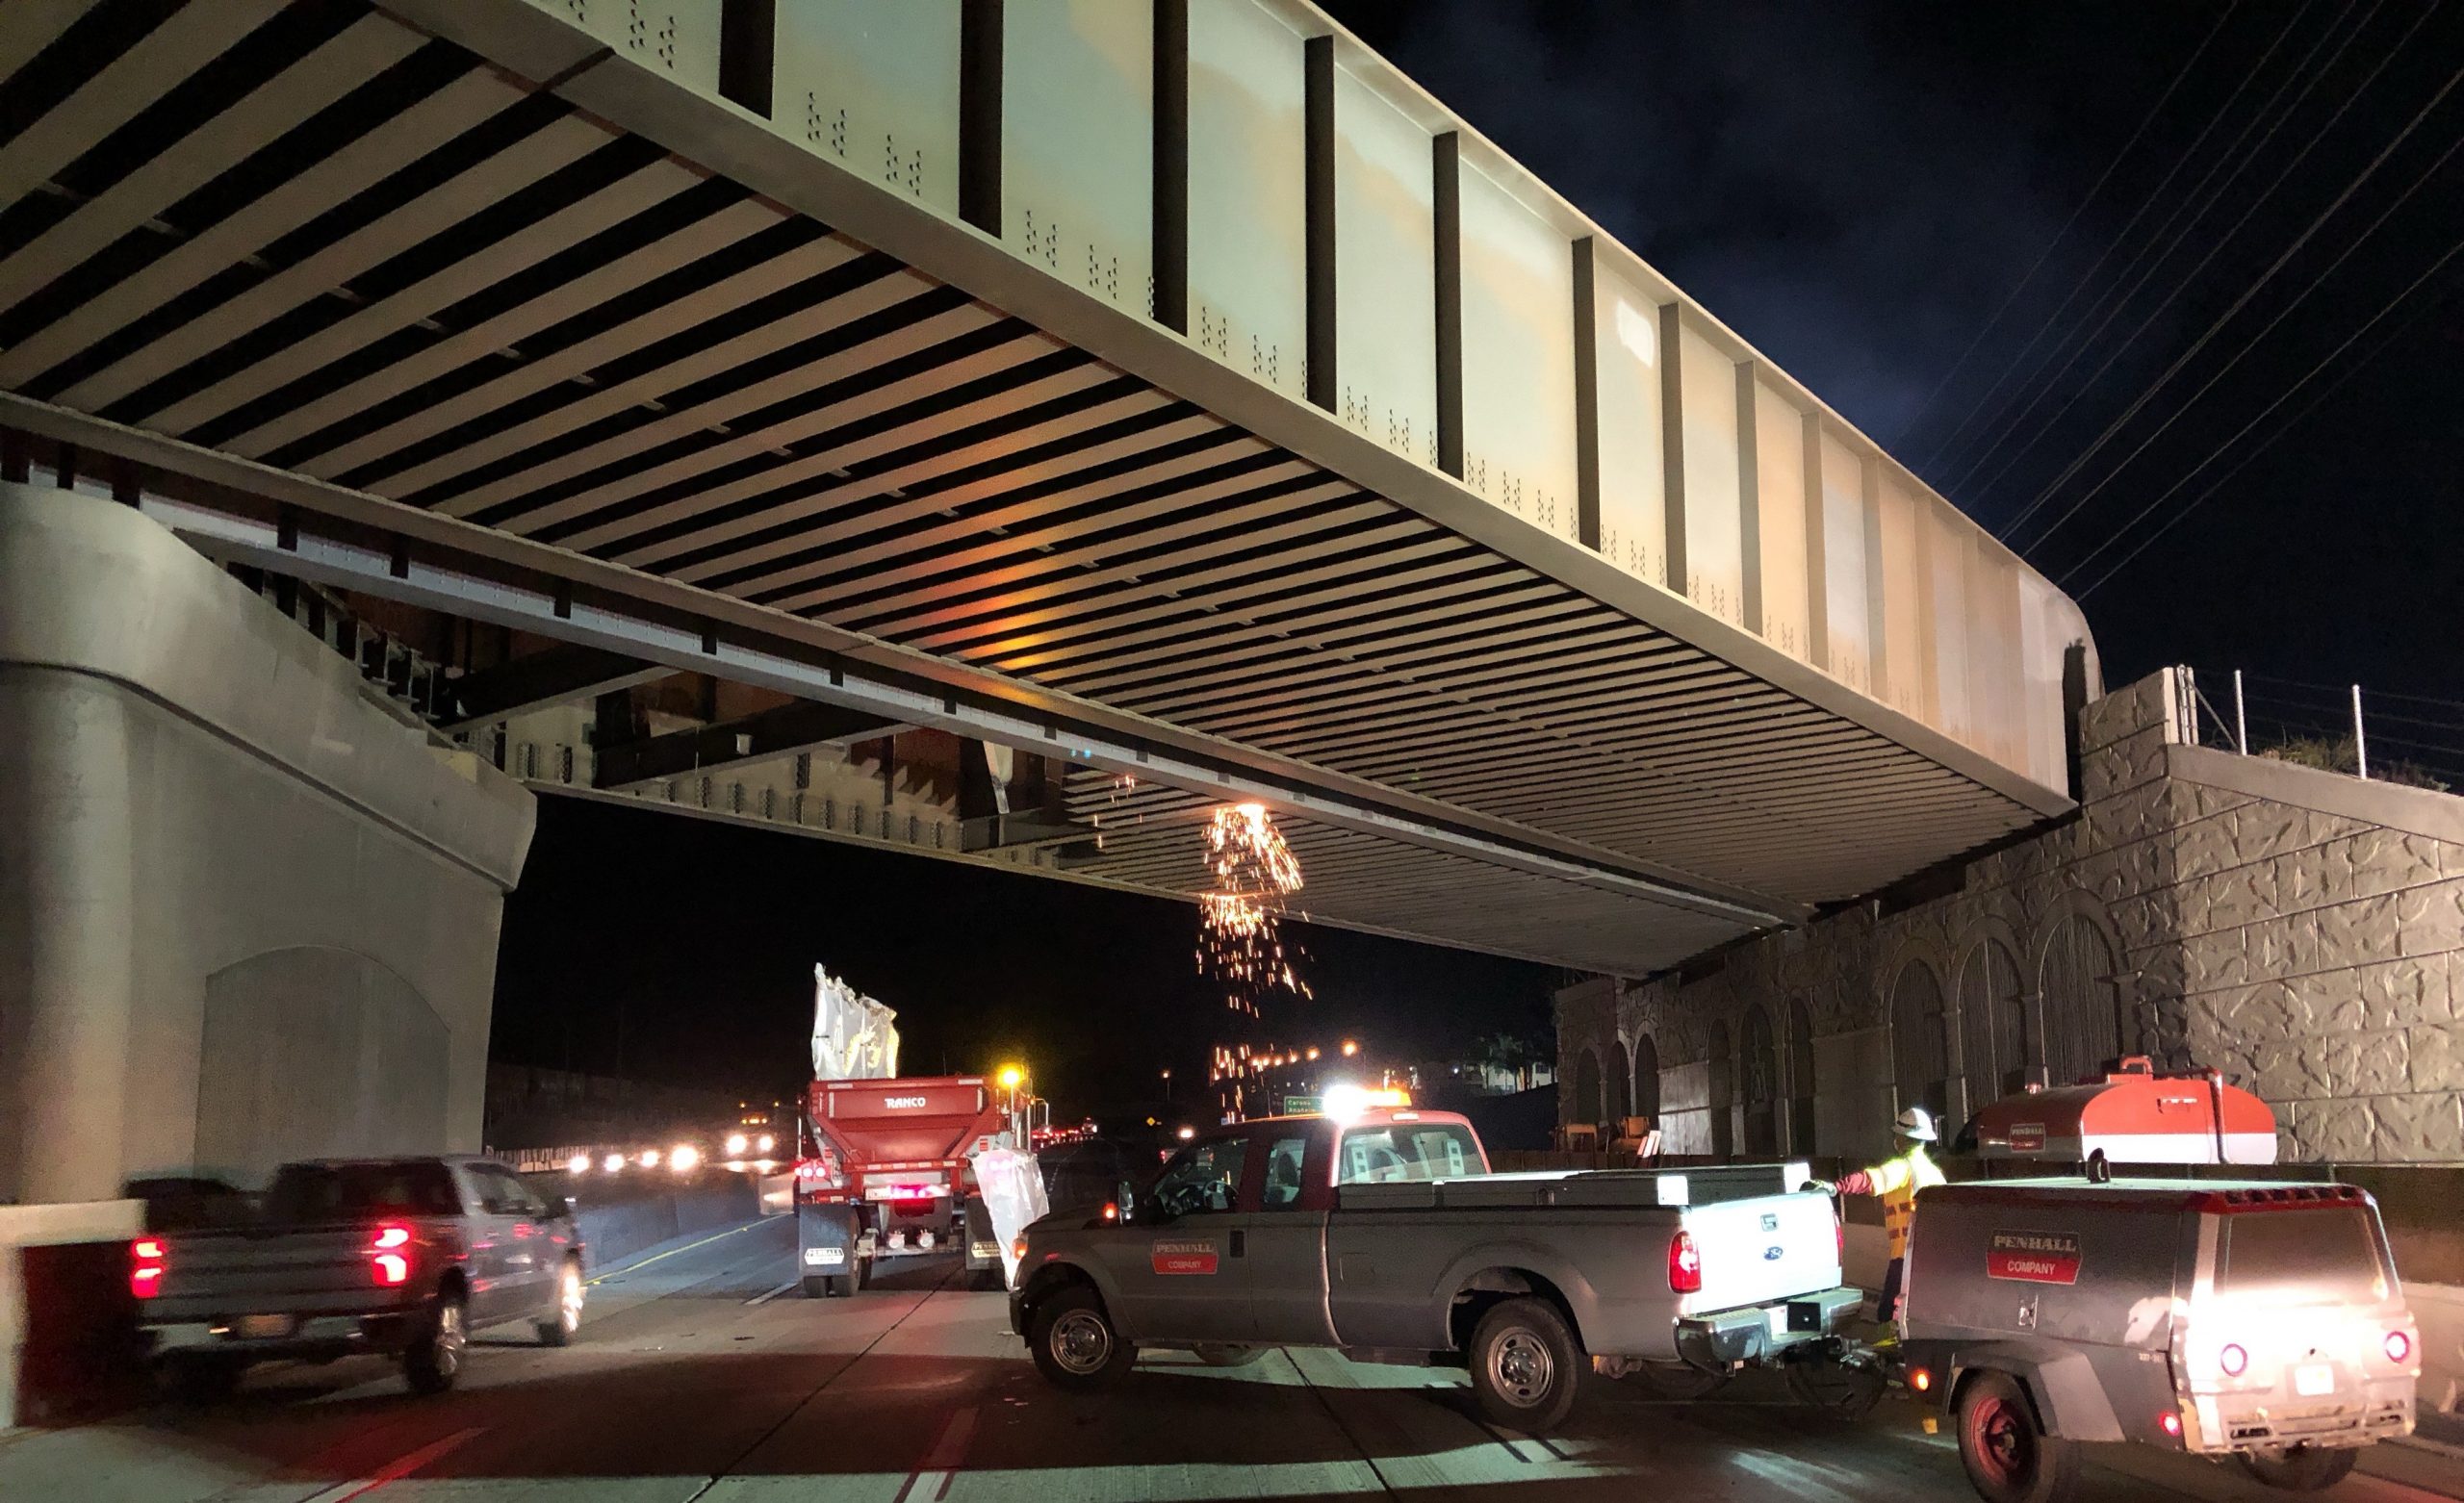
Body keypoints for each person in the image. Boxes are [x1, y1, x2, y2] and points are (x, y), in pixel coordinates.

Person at [1835, 1105, 1944, 1324]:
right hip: (1933, 1257)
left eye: (1897, 1135)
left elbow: (1870, 1179)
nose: (1895, 1139)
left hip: (1905, 1257)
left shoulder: (1903, 1168)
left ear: (1904, 1139)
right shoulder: (1935, 1173)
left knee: (1888, 1313)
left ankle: (1896, 1354)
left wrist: (1836, 1187)